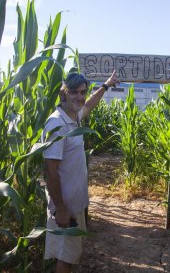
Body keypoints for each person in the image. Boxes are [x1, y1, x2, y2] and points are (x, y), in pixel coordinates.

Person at [42, 70, 119, 272]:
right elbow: (50, 171)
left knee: (69, 255)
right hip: (65, 206)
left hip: (74, 205)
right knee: (65, 257)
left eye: (83, 92)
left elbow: (88, 106)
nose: (80, 96)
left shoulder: (73, 117)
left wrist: (105, 85)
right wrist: (60, 208)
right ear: (64, 92)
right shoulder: (57, 124)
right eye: (74, 92)